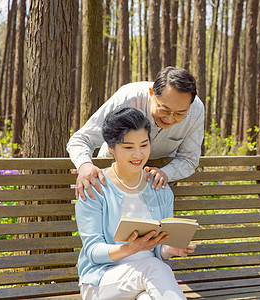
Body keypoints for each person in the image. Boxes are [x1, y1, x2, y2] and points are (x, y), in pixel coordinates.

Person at [75, 107, 196, 300]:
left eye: (144, 145)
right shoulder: (94, 188)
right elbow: (92, 251)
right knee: (154, 267)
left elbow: (159, 249)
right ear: (111, 148)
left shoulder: (160, 188)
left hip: (149, 282)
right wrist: (129, 249)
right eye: (128, 147)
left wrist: (170, 248)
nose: (138, 154)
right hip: (103, 281)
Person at [67, 66, 205, 200]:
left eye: (179, 114)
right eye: (164, 110)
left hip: (156, 188)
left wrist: (166, 173)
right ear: (152, 93)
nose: (169, 119)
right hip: (110, 180)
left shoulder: (196, 110)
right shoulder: (128, 99)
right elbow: (81, 139)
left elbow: (189, 159)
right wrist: (84, 165)